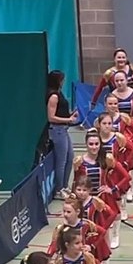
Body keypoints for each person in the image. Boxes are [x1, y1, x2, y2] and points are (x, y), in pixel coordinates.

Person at [44, 69, 79, 199]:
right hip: (56, 130)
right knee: (61, 161)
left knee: (70, 157)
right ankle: (59, 189)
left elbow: (62, 112)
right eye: (62, 79)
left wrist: (71, 115)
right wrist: (68, 120)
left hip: (63, 129)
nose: (63, 82)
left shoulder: (60, 93)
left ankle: (64, 186)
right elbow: (51, 117)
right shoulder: (53, 96)